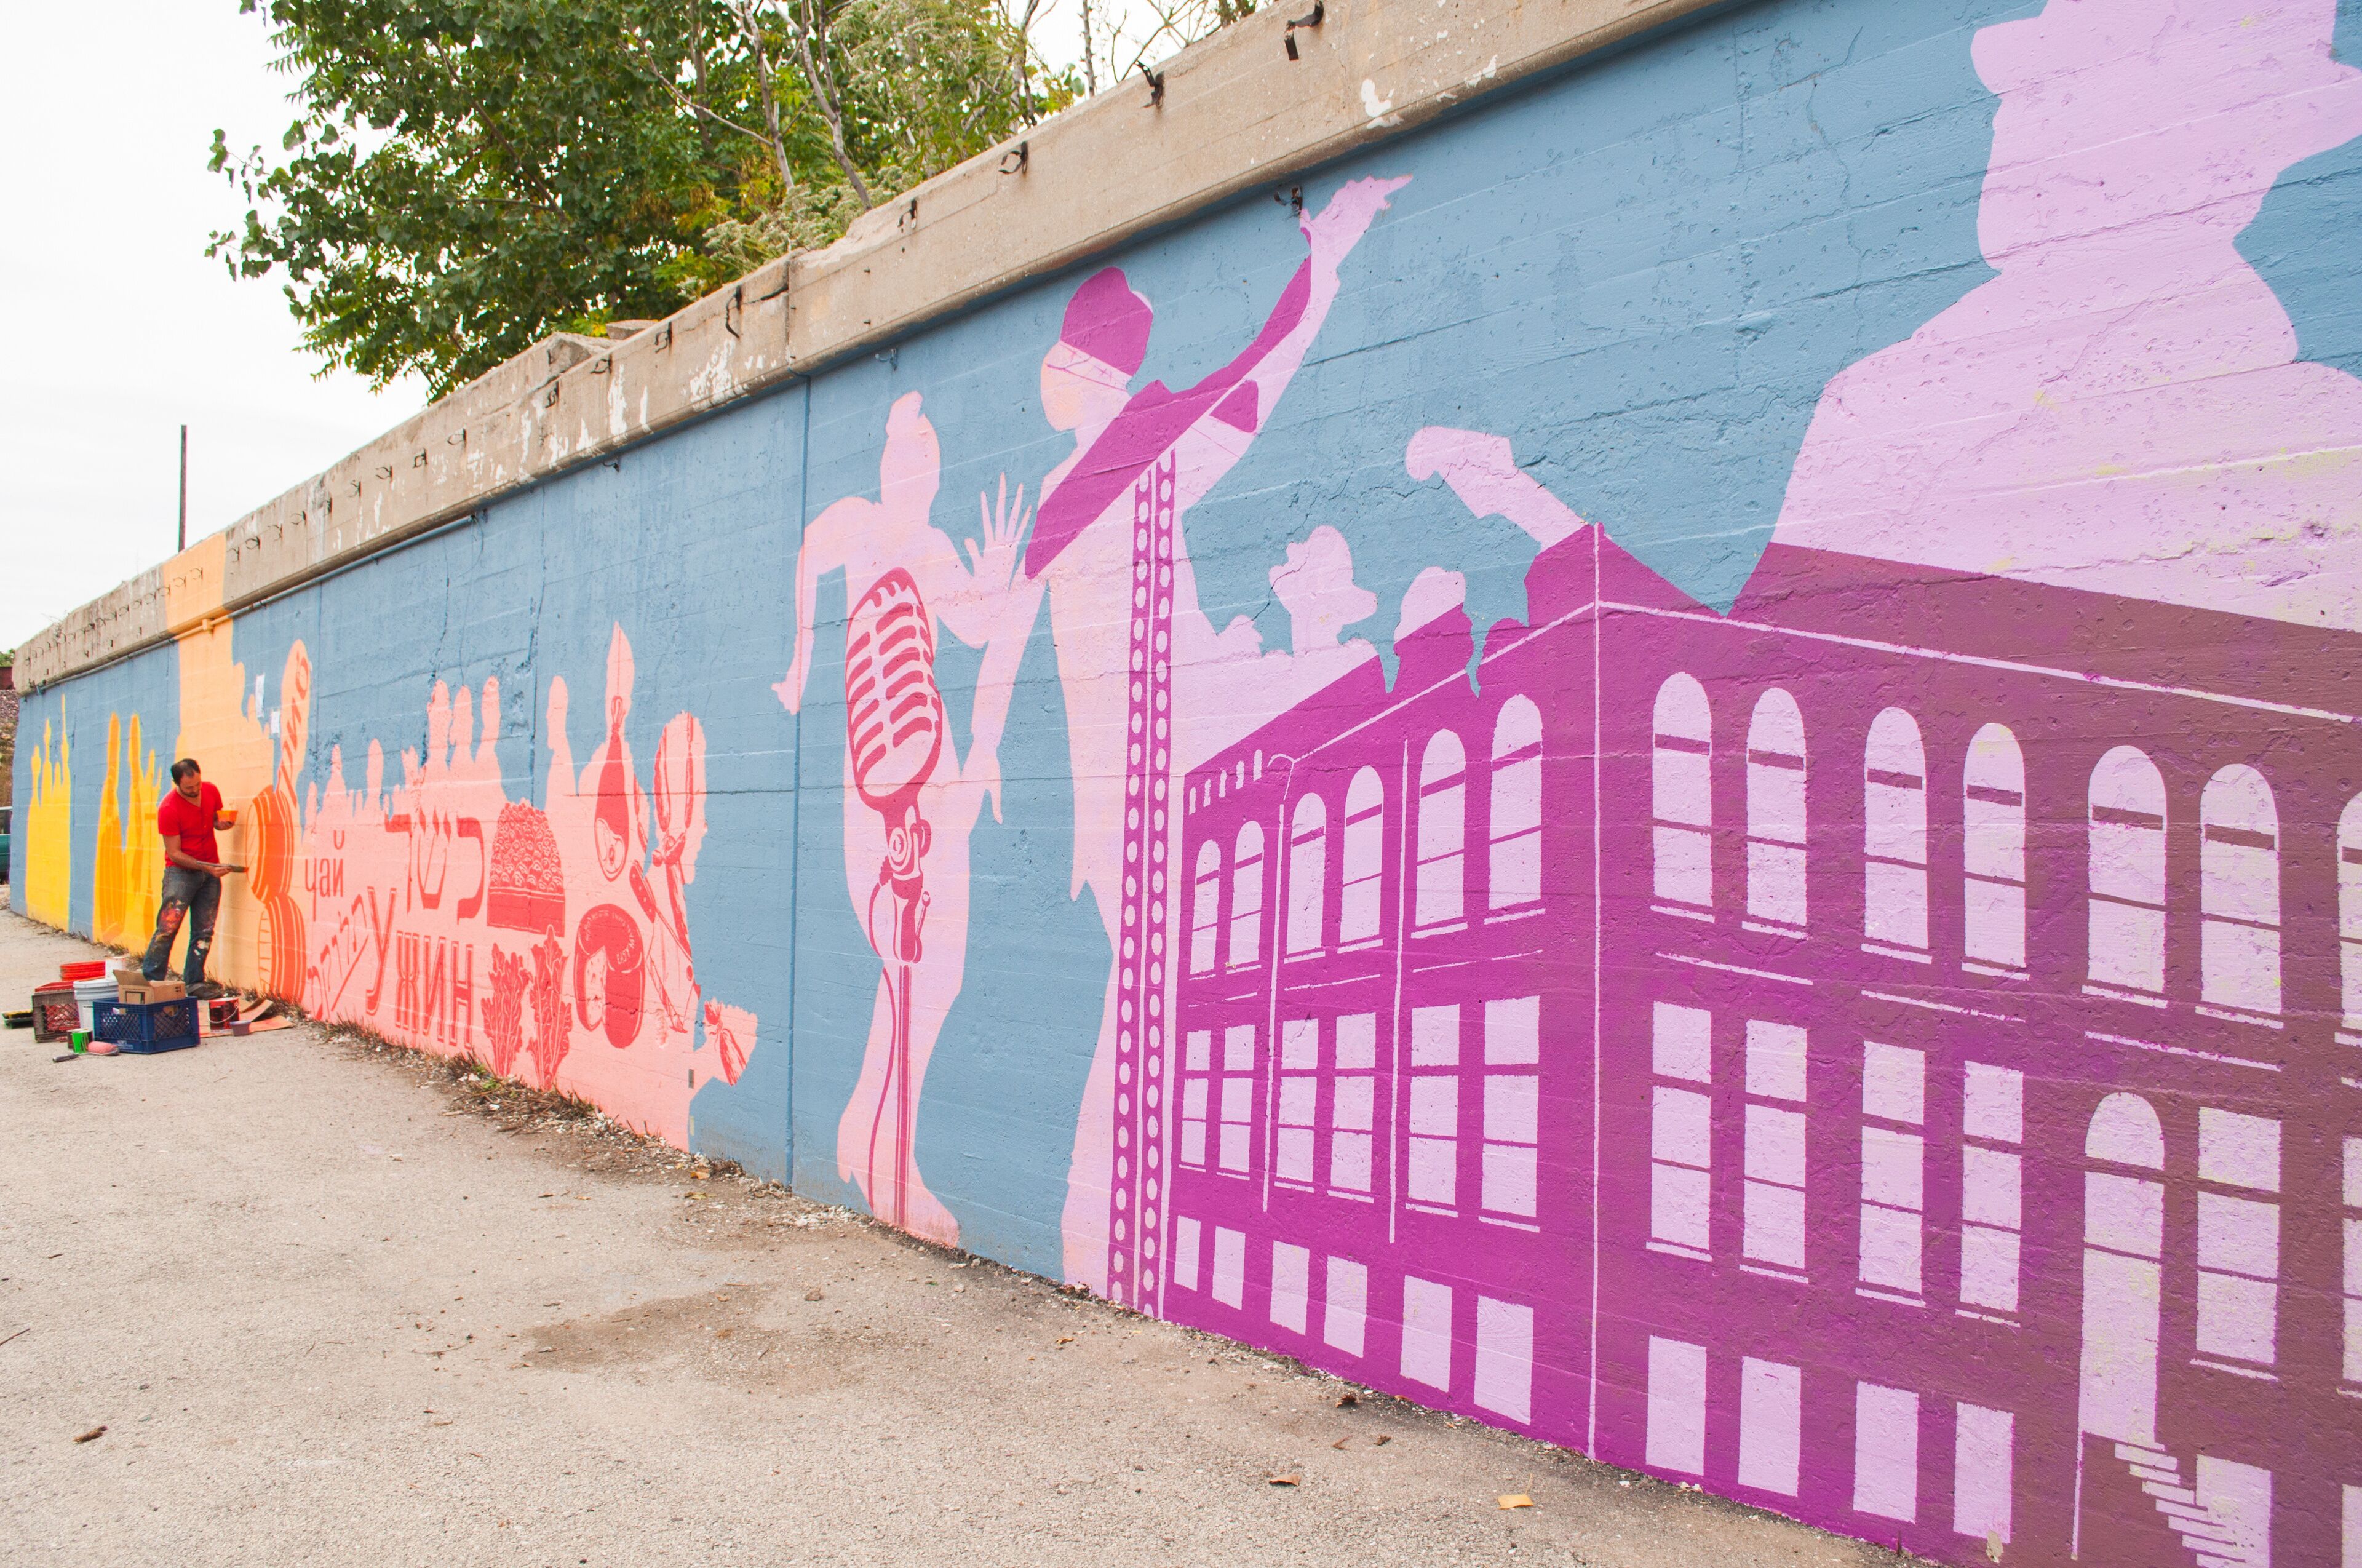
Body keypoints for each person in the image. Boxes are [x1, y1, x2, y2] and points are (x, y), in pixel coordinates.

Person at [143, 758, 244, 998]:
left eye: (198, 784)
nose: (196, 790)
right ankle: (151, 984)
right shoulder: (169, 808)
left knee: (204, 930)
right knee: (167, 928)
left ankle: (195, 983)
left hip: (210, 871)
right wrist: (207, 868)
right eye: (189, 788)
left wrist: (222, 824)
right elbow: (174, 853)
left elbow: (214, 821)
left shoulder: (210, 791)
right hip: (181, 874)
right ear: (177, 783)